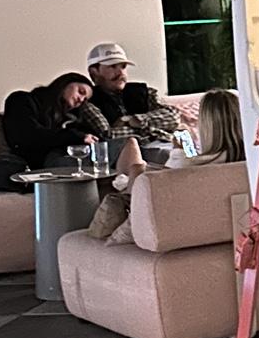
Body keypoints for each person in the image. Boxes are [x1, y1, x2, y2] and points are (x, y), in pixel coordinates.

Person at [87, 89, 245, 242]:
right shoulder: (248, 164)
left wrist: (178, 151)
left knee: (135, 170)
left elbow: (167, 184)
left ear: (205, 125)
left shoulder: (183, 162)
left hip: (174, 231)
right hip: (224, 231)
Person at [85, 42, 183, 155]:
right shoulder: (89, 101)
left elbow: (174, 117)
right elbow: (107, 135)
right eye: (112, 66)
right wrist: (154, 128)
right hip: (134, 154)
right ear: (94, 72)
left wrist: (132, 120)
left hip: (169, 145)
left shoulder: (143, 91)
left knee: (188, 153)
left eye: (123, 66)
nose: (121, 73)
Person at [0, 72, 97, 171]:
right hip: (37, 162)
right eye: (81, 91)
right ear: (65, 83)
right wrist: (76, 136)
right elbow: (30, 135)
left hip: (60, 159)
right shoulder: (21, 99)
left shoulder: (69, 118)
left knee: (98, 157)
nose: (81, 99)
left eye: (84, 100)